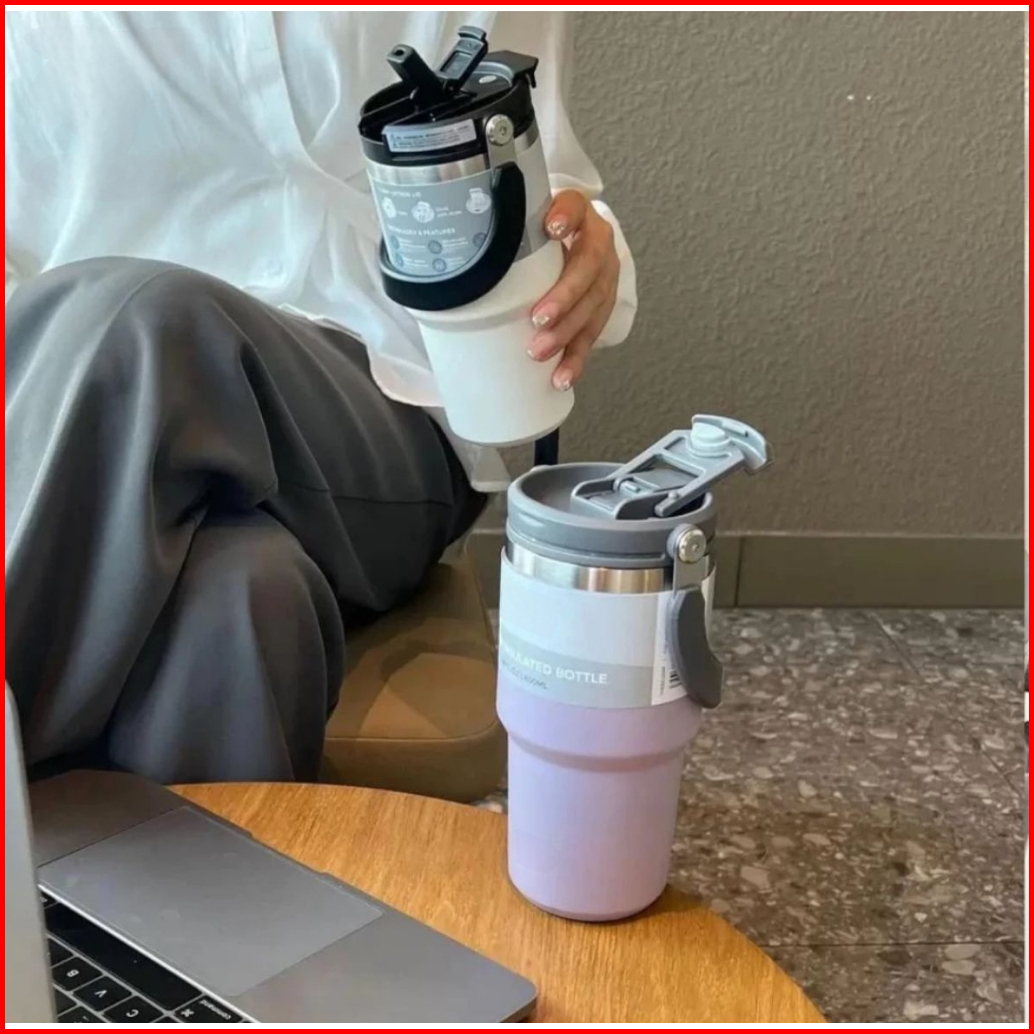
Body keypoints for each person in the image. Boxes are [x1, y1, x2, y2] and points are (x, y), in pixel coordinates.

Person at [4, 10, 637, 783]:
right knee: (241, 595)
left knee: (145, 323)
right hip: (79, 434)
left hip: (374, 412)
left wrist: (584, 252)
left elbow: (537, 175)